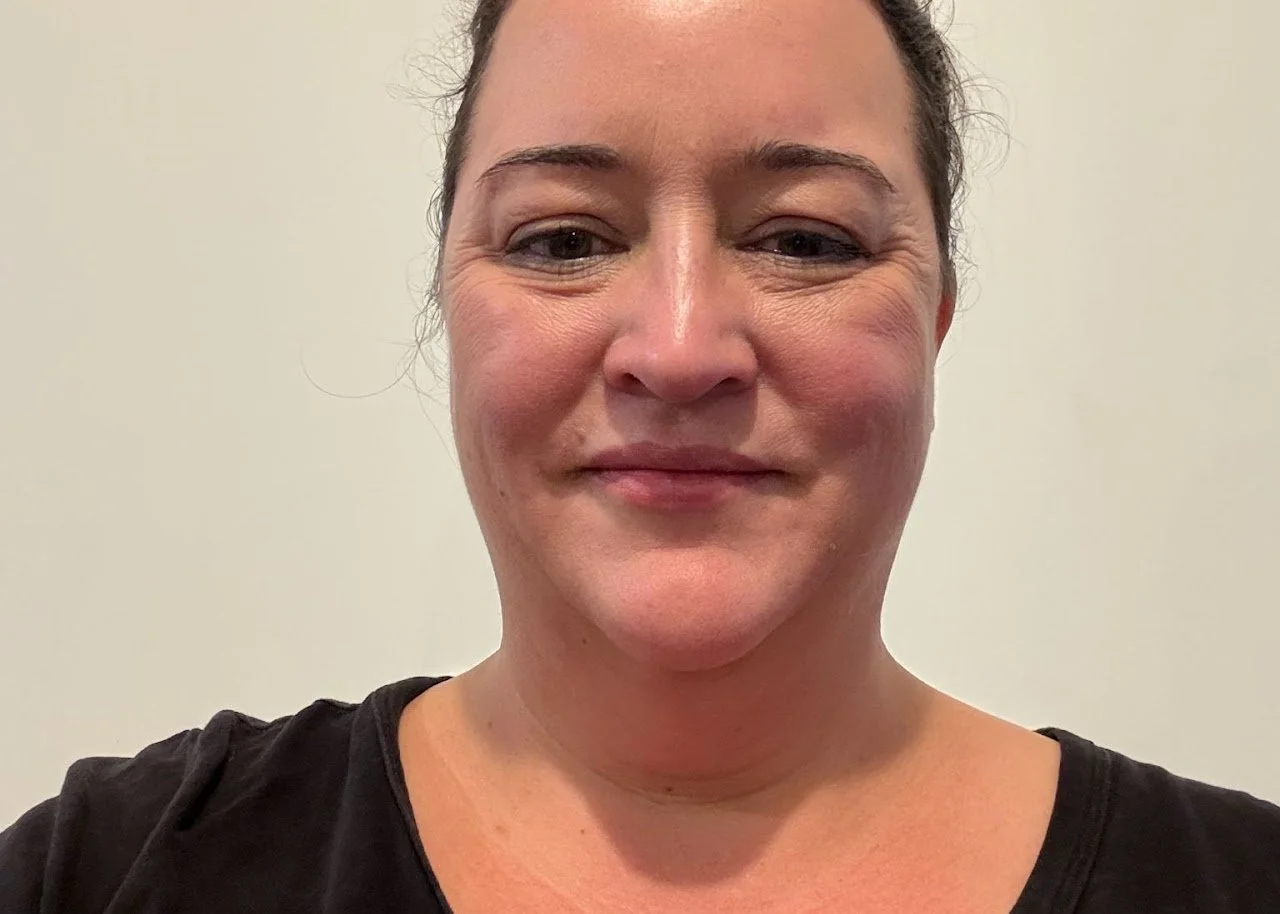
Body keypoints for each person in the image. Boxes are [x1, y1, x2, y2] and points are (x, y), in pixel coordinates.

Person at [3, 0, 1279, 910]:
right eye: (562, 240)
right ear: (451, 298)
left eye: (806, 241)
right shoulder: (112, 872)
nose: (677, 348)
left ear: (934, 317)